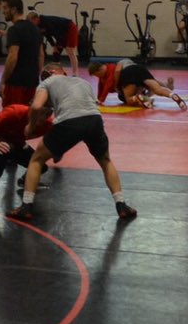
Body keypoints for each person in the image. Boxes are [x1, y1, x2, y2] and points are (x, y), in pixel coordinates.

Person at [8, 67, 137, 224]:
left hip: (69, 122)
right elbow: (74, 105)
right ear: (63, 72)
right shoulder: (82, 82)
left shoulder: (47, 83)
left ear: (48, 74)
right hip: (94, 120)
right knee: (105, 161)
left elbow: (36, 107)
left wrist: (30, 126)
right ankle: (121, 204)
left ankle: (26, 206)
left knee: (36, 160)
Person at [0, 101, 48, 209]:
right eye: (40, 114)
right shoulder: (15, 112)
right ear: (31, 111)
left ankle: (25, 180)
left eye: (47, 114)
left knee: (41, 166)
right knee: (5, 150)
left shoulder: (47, 125)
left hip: (13, 143)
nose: (42, 118)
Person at [0, 0, 44, 107]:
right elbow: (41, 55)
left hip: (16, 83)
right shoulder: (36, 29)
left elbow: (13, 56)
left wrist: (3, 80)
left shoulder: (14, 30)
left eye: (5, 8)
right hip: (32, 83)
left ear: (13, 10)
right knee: (27, 116)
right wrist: (36, 75)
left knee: (11, 117)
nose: (3, 12)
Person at [93, 58, 187, 111]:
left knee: (129, 99)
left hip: (128, 73)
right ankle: (172, 95)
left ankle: (138, 97)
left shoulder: (117, 65)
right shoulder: (125, 62)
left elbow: (117, 72)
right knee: (157, 89)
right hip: (141, 69)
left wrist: (116, 86)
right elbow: (102, 87)